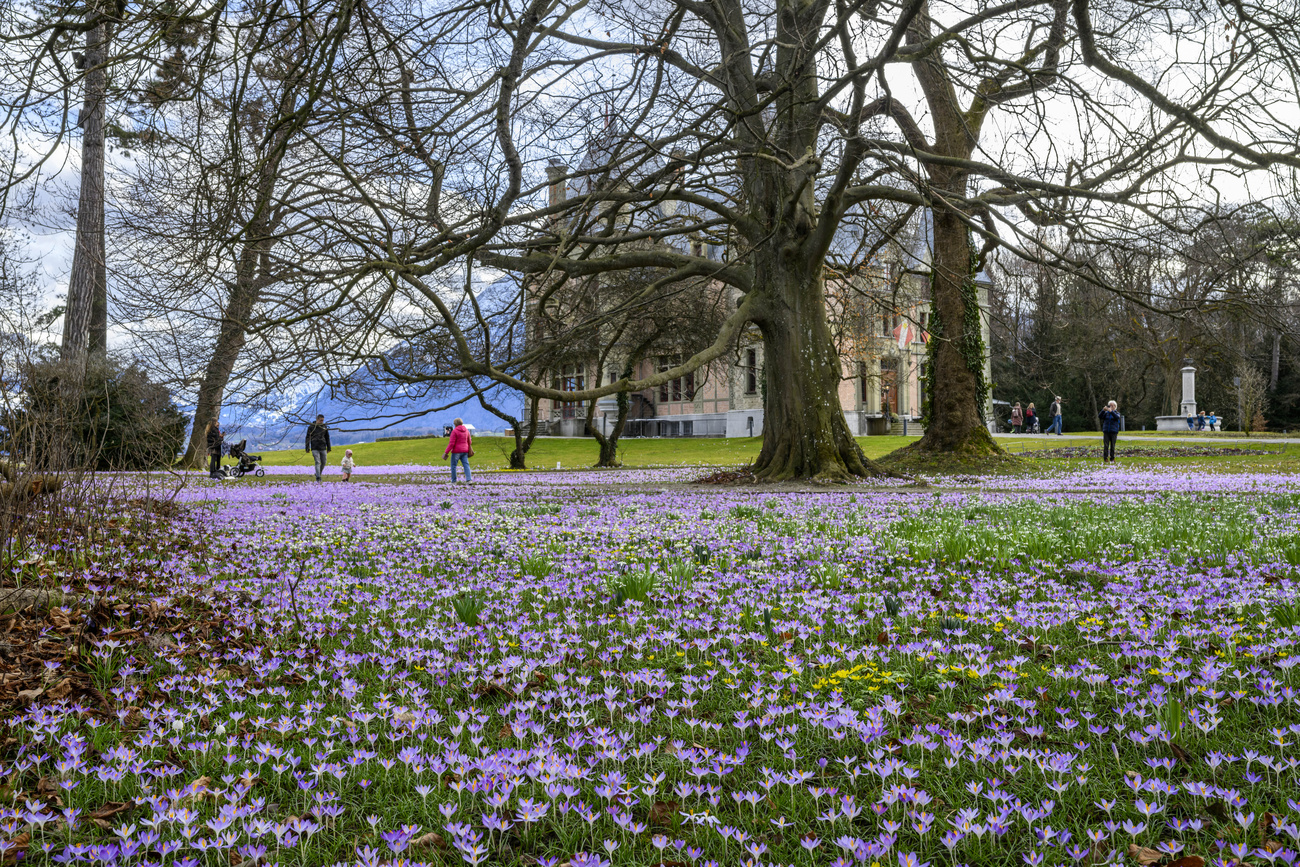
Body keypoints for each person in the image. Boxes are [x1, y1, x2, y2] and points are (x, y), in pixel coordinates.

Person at [444, 418, 473, 483]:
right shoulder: (466, 431)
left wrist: (446, 452)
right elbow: (470, 441)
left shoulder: (454, 431)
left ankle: (454, 481)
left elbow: (451, 443)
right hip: (465, 451)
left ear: (455, 424)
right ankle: (469, 480)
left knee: (453, 466)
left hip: (456, 451)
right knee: (466, 465)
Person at [305, 414, 331, 482]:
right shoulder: (311, 427)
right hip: (315, 447)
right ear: (317, 419)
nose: (322, 422)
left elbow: (327, 437)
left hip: (323, 447)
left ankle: (318, 473)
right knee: (317, 462)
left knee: (324, 462)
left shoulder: (324, 427)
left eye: (322, 420)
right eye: (320, 420)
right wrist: (307, 447)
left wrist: (329, 447)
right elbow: (308, 437)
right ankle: (318, 478)